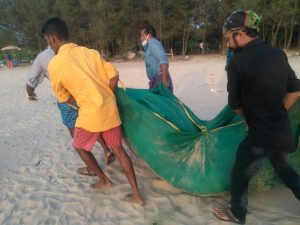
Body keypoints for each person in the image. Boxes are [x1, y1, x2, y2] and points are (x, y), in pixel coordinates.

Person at [42, 17, 144, 205]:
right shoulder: (90, 52)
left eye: (48, 42)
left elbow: (63, 97)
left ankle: (104, 180)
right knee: (119, 150)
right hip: (109, 111)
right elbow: (113, 75)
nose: (50, 46)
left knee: (79, 146)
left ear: (52, 38)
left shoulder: (55, 64)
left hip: (89, 114)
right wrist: (107, 97)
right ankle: (137, 195)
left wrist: (82, 100)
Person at [213, 10, 300, 224]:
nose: (227, 44)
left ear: (239, 33)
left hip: (260, 136)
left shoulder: (237, 63)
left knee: (240, 173)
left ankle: (237, 213)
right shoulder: (278, 53)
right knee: (284, 169)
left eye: (227, 39)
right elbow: (296, 91)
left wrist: (249, 121)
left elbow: (234, 104)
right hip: (282, 131)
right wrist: (278, 112)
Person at [26, 46, 116, 175]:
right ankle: (107, 150)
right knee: (92, 124)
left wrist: (30, 93)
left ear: (50, 38)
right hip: (84, 95)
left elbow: (31, 81)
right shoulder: (77, 49)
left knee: (77, 136)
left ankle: (93, 169)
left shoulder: (42, 57)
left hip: (67, 99)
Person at [139, 24, 173, 92]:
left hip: (160, 79)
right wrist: (152, 81)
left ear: (149, 35)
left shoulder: (152, 43)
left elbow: (164, 62)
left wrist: (164, 81)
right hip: (156, 80)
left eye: (142, 35)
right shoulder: (149, 46)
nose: (141, 38)